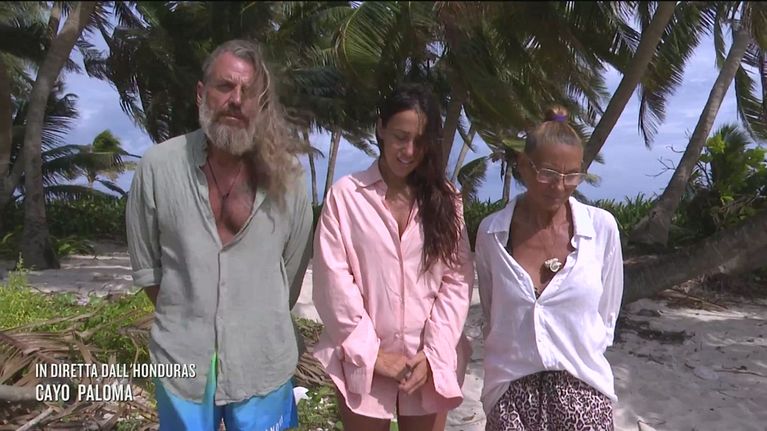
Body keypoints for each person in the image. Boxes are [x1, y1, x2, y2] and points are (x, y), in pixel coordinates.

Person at [126, 39, 313, 431]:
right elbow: (150, 271)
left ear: (260, 104)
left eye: (249, 92)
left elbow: (291, 276)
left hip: (263, 366)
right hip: (183, 366)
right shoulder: (158, 168)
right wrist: (193, 316)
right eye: (225, 86)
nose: (236, 100)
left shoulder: (291, 180)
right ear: (201, 93)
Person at [312, 83, 475, 431]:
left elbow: (456, 282)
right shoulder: (346, 197)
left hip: (427, 364)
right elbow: (333, 283)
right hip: (362, 361)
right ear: (381, 128)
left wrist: (434, 354)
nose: (409, 151)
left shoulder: (447, 201)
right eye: (401, 137)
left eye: (420, 140)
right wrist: (372, 355)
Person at [476, 106, 624, 430]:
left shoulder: (601, 229)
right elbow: (492, 313)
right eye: (548, 173)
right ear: (523, 166)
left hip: (583, 389)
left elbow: (607, 315)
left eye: (571, 175)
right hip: (511, 394)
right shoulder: (492, 234)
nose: (559, 186)